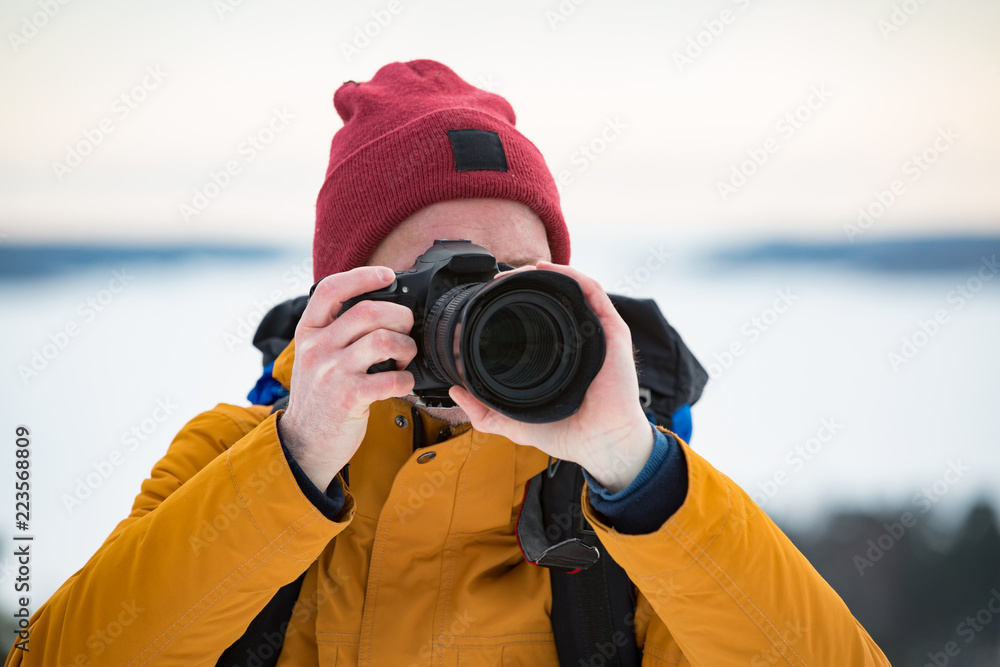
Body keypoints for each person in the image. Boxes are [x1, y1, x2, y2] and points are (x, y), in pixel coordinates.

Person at [6, 59, 889, 666]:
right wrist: (299, 458)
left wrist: (639, 470)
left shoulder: (624, 509)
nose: (483, 311)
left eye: (516, 279)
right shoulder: (231, 457)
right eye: (436, 279)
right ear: (344, 295)